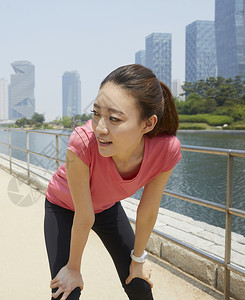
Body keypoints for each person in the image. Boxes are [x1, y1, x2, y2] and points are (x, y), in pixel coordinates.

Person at [44, 64, 181, 299]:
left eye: (114, 118)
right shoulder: (81, 142)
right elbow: (84, 215)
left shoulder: (166, 150)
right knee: (66, 289)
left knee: (139, 284)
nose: (100, 128)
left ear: (148, 124)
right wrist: (74, 269)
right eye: (96, 114)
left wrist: (138, 260)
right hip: (64, 208)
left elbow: (148, 210)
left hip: (107, 209)